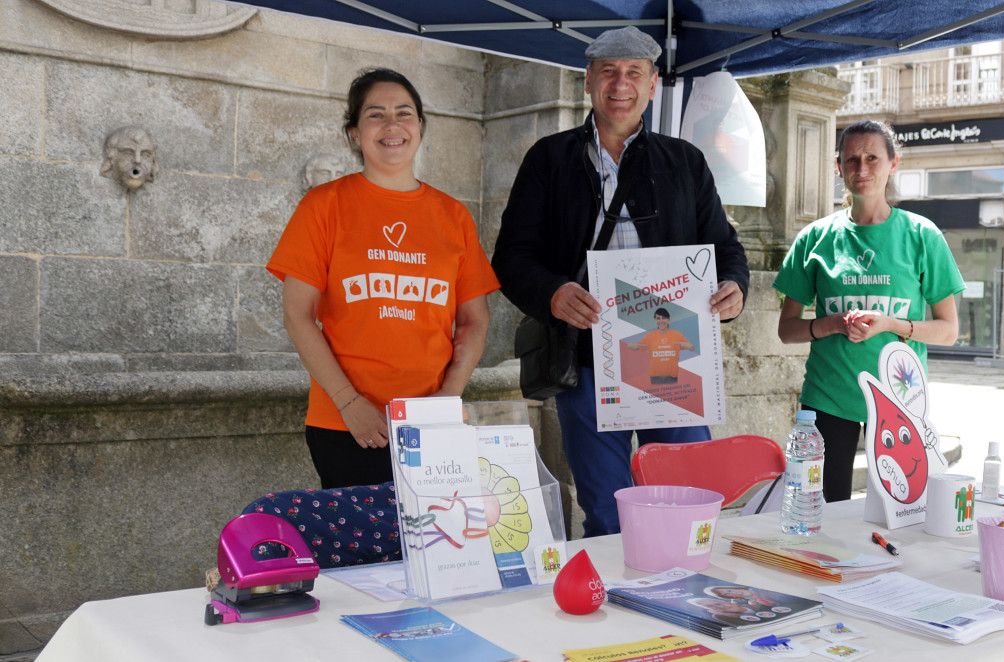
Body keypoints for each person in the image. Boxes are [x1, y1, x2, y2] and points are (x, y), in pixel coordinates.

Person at [492, 27, 749, 537]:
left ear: (653, 85)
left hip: (673, 361)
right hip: (588, 358)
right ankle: (615, 606)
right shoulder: (550, 158)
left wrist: (734, 287)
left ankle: (680, 598)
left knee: (687, 500)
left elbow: (725, 248)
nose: (620, 84)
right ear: (588, 80)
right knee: (606, 511)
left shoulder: (685, 162)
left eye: (634, 73)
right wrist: (552, 292)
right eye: (608, 72)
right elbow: (512, 257)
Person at [267, 68, 499, 489]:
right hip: (348, 423)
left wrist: (448, 399)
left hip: (431, 424)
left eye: (404, 113)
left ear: (421, 126)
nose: (392, 125)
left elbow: (475, 321)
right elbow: (297, 317)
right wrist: (349, 403)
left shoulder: (453, 216)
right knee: (365, 552)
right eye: (376, 115)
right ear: (354, 133)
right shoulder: (323, 206)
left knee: (437, 547)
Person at [773, 119, 964, 503]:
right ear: (838, 166)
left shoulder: (922, 235)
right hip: (828, 399)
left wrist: (891, 325)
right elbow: (787, 330)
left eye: (873, 158)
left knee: (898, 514)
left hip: (900, 397)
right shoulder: (815, 237)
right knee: (822, 513)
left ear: (894, 163)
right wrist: (830, 325)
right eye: (852, 159)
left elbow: (948, 330)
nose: (862, 169)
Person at [629, 308, 694, 384]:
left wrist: (684, 345)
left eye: (664, 318)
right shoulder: (650, 336)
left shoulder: (677, 334)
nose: (661, 321)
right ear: (655, 320)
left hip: (672, 376)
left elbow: (691, 347)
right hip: (655, 377)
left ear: (669, 319)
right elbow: (635, 346)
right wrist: (633, 346)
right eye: (658, 318)